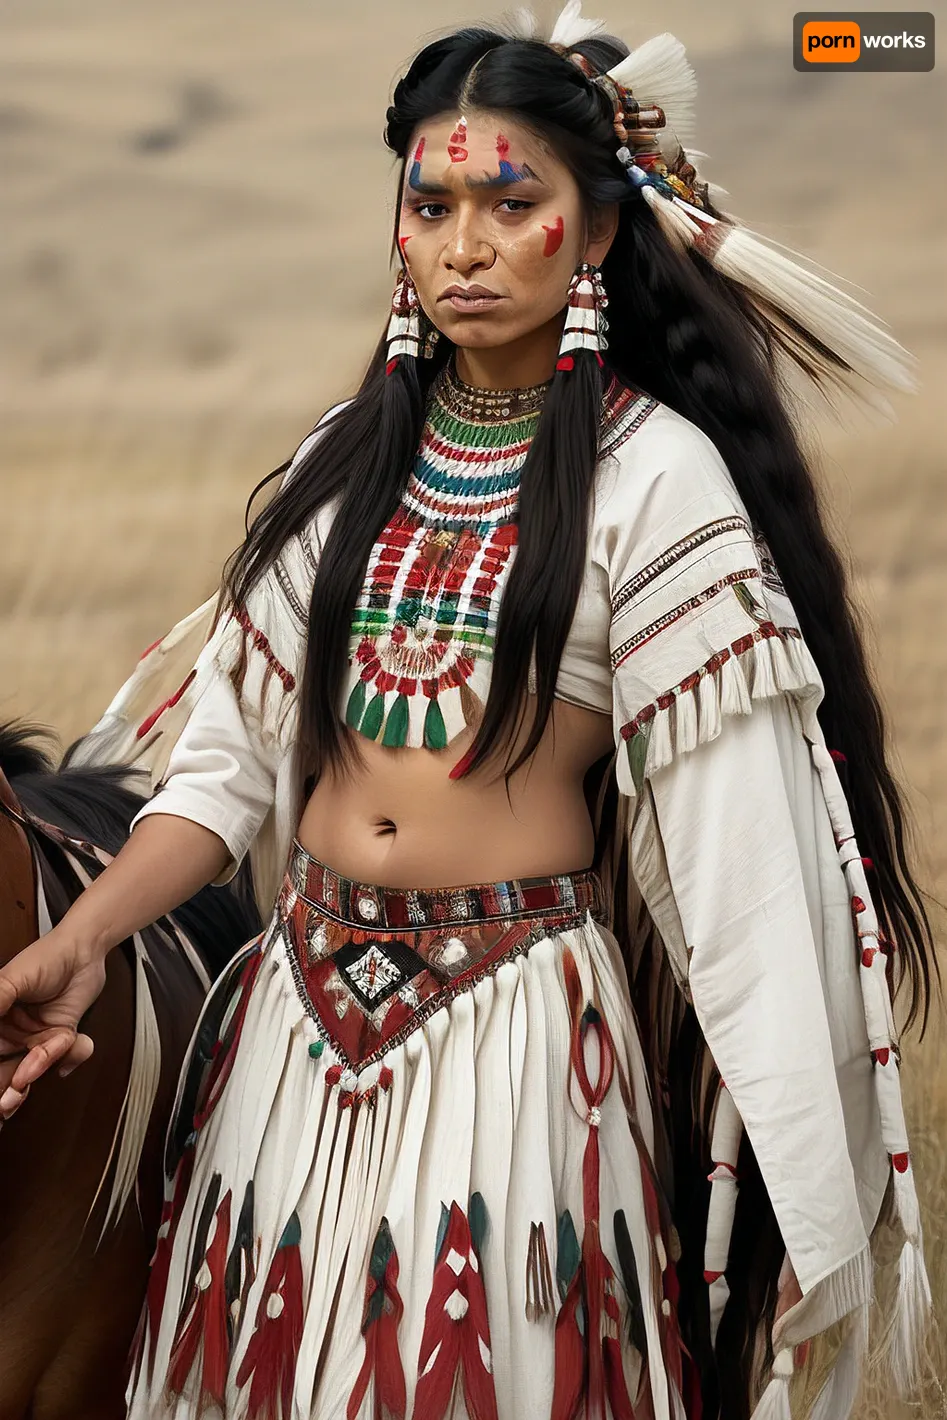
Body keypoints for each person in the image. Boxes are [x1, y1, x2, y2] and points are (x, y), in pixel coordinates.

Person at [0, 7, 938, 1418]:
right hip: (295, 1040)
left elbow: (739, 850)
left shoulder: (656, 482)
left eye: (513, 203)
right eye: (430, 205)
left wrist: (798, 1156)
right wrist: (84, 936)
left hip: (513, 1044)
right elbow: (222, 777)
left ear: (599, 232)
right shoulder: (339, 463)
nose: (465, 243)